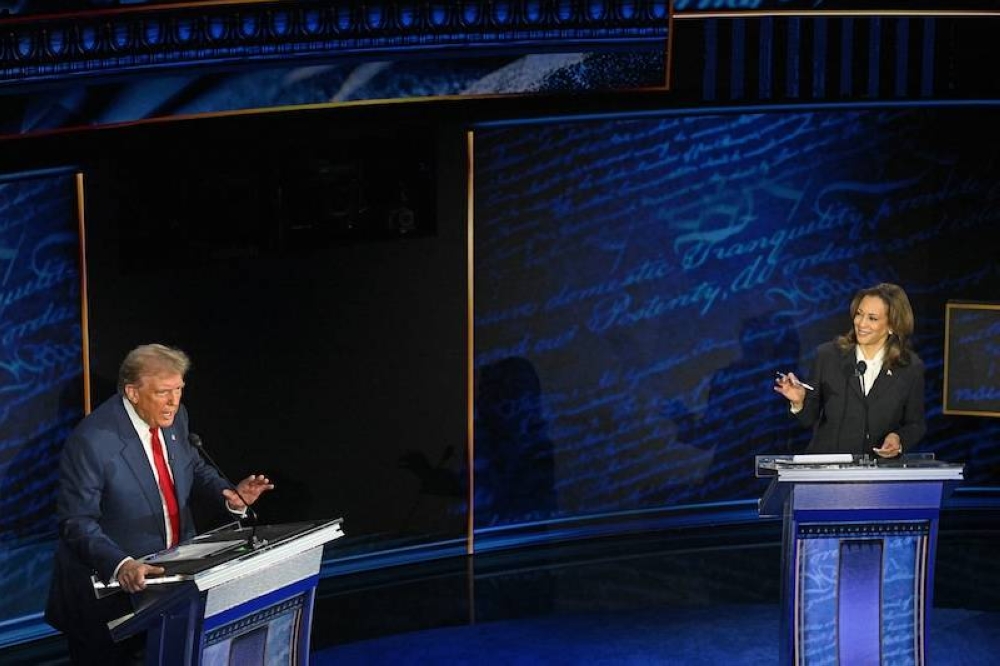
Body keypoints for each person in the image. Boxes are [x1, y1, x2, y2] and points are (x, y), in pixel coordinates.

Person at [45, 344, 274, 665]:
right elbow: (76, 521)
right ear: (133, 393)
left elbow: (192, 465)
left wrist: (230, 495)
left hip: (171, 585)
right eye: (163, 392)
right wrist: (121, 564)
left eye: (179, 390)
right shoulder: (92, 441)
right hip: (107, 599)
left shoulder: (176, 417)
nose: (174, 402)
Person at [774, 283, 926, 457]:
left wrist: (898, 439)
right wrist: (799, 402)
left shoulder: (910, 367)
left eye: (872, 318)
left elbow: (916, 424)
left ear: (892, 325)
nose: (861, 323)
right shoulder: (828, 356)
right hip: (827, 471)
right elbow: (808, 419)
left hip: (877, 474)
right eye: (859, 314)